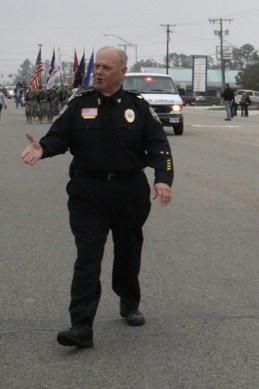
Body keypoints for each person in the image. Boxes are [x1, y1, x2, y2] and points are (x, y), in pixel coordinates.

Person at [20, 46, 173, 348]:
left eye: (106, 67)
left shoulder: (138, 106)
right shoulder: (79, 103)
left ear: (122, 72)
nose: (99, 72)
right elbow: (58, 136)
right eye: (97, 67)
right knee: (88, 256)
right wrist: (43, 148)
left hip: (129, 191)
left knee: (128, 251)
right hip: (88, 192)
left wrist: (163, 180)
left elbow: (159, 145)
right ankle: (81, 325)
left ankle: (129, 302)